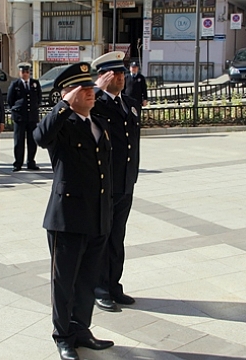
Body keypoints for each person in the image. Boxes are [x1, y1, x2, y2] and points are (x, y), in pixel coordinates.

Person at [33, 62, 115, 360]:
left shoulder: (98, 122)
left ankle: (82, 329)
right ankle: (63, 336)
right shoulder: (62, 124)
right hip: (67, 217)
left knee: (86, 281)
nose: (91, 92)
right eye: (84, 88)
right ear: (68, 93)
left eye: (92, 87)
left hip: (96, 216)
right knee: (64, 282)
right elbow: (40, 137)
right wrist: (63, 105)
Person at [91, 51, 141, 312]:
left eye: (122, 73)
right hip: (104, 186)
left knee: (117, 237)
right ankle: (99, 289)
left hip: (125, 184)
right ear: (103, 76)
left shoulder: (130, 103)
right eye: (116, 74)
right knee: (102, 237)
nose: (121, 77)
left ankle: (114, 285)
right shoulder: (96, 104)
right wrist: (95, 90)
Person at [7, 63, 42, 172]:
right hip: (20, 117)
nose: (25, 74)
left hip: (32, 116)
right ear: (20, 73)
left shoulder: (35, 84)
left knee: (32, 141)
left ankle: (31, 162)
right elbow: (10, 100)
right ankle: (18, 163)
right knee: (19, 141)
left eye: (27, 72)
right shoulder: (15, 84)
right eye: (23, 72)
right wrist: (16, 109)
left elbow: (39, 98)